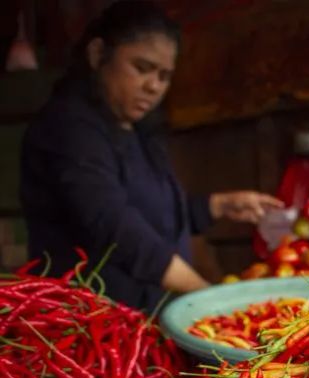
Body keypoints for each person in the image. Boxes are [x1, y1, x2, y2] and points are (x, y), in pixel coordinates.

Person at [20, 1, 282, 311]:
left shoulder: (138, 131)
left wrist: (217, 205)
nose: (153, 86)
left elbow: (153, 213)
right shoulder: (68, 128)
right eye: (141, 68)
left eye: (164, 75)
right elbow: (114, 224)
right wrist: (207, 297)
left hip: (142, 319)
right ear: (97, 54)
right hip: (86, 324)